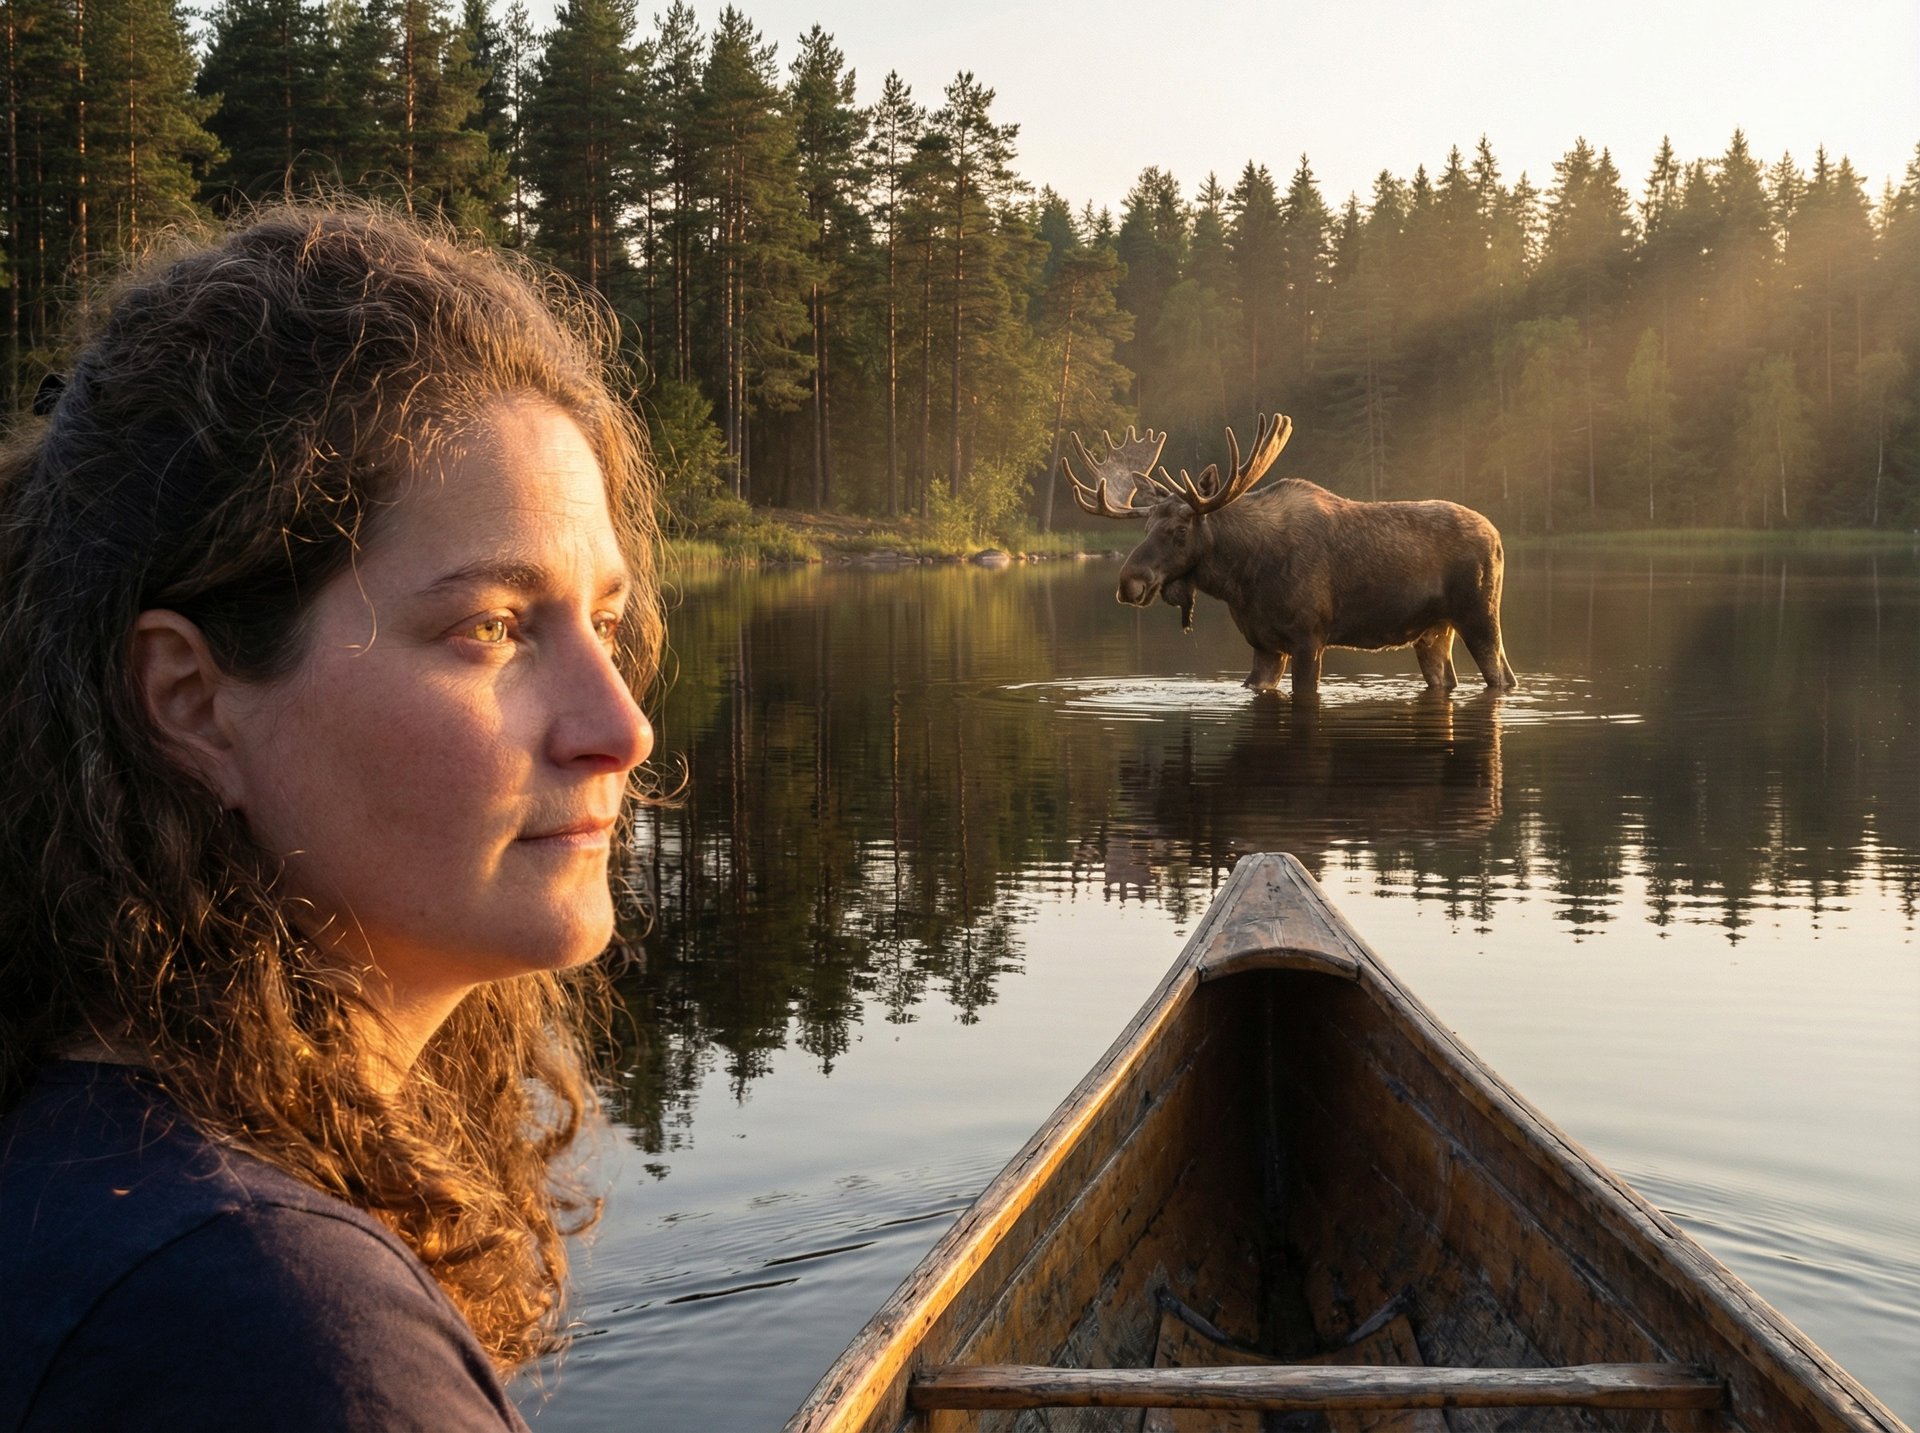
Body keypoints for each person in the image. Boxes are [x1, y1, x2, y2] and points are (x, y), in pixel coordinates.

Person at [0, 204, 663, 1430]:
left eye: (606, 622)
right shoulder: (267, 1331)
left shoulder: (87, 1165)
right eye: (493, 628)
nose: (619, 728)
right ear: (193, 703)